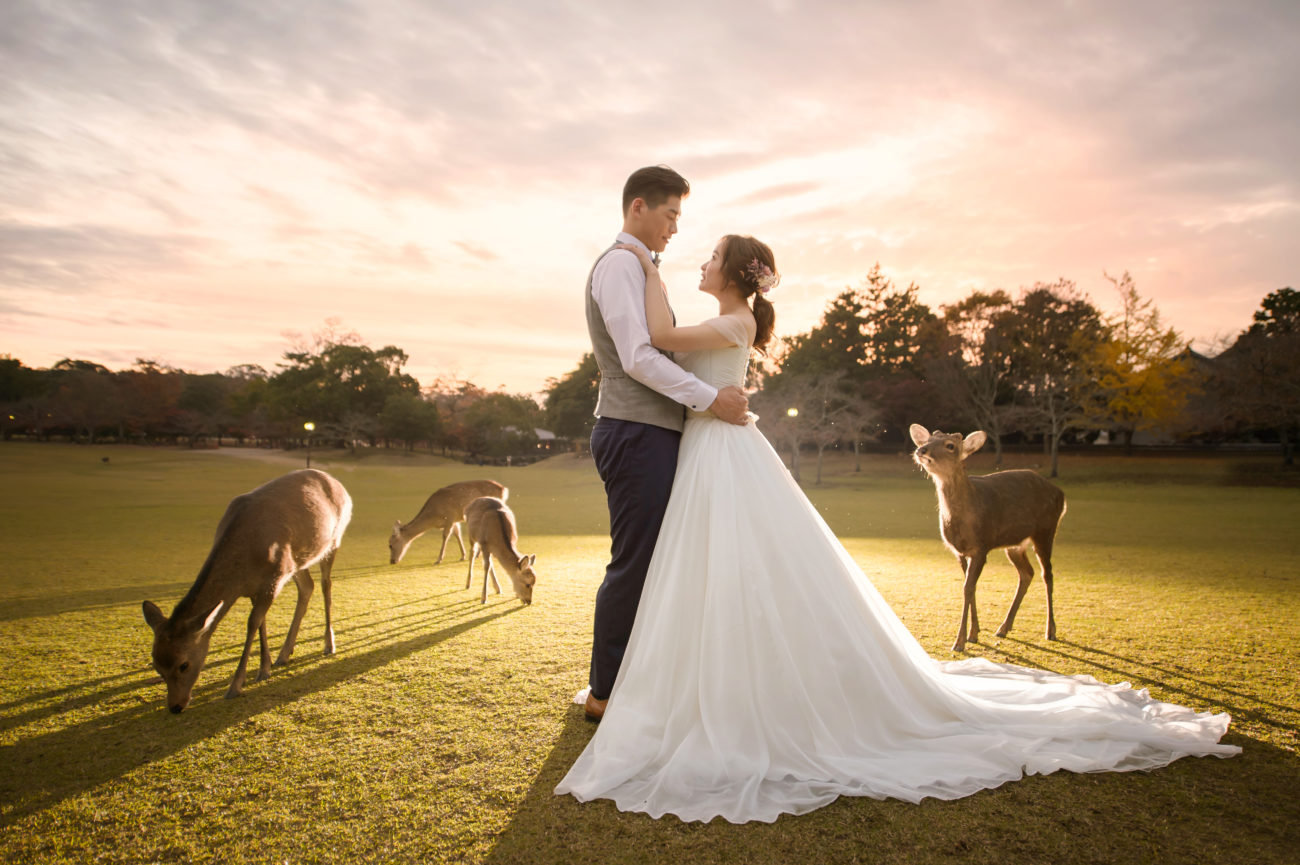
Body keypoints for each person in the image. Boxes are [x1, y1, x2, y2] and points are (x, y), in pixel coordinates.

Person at [555, 234, 1239, 824]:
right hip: (709, 448)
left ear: (735, 277)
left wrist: (644, 266)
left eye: (711, 258)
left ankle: (738, 692)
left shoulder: (731, 323)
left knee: (744, 564)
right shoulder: (728, 317)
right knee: (706, 567)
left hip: (722, 453)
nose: (698, 262)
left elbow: (661, 340)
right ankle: (691, 683)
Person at [580, 166, 750, 724]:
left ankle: (638, 679)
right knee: (635, 563)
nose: (675, 228)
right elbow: (637, 356)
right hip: (634, 432)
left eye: (679, 216)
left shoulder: (642, 268)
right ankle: (604, 691)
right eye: (670, 214)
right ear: (638, 208)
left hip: (655, 432)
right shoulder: (620, 266)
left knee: (657, 561)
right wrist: (709, 398)